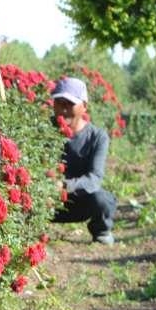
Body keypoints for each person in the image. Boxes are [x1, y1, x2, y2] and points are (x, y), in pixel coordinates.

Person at [51, 78, 117, 243]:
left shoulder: (97, 137)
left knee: (101, 200)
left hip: (77, 201)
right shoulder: (43, 130)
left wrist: (64, 185)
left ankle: (100, 230)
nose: (62, 109)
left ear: (84, 106)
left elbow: (94, 179)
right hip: (47, 200)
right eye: (58, 103)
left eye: (69, 104)